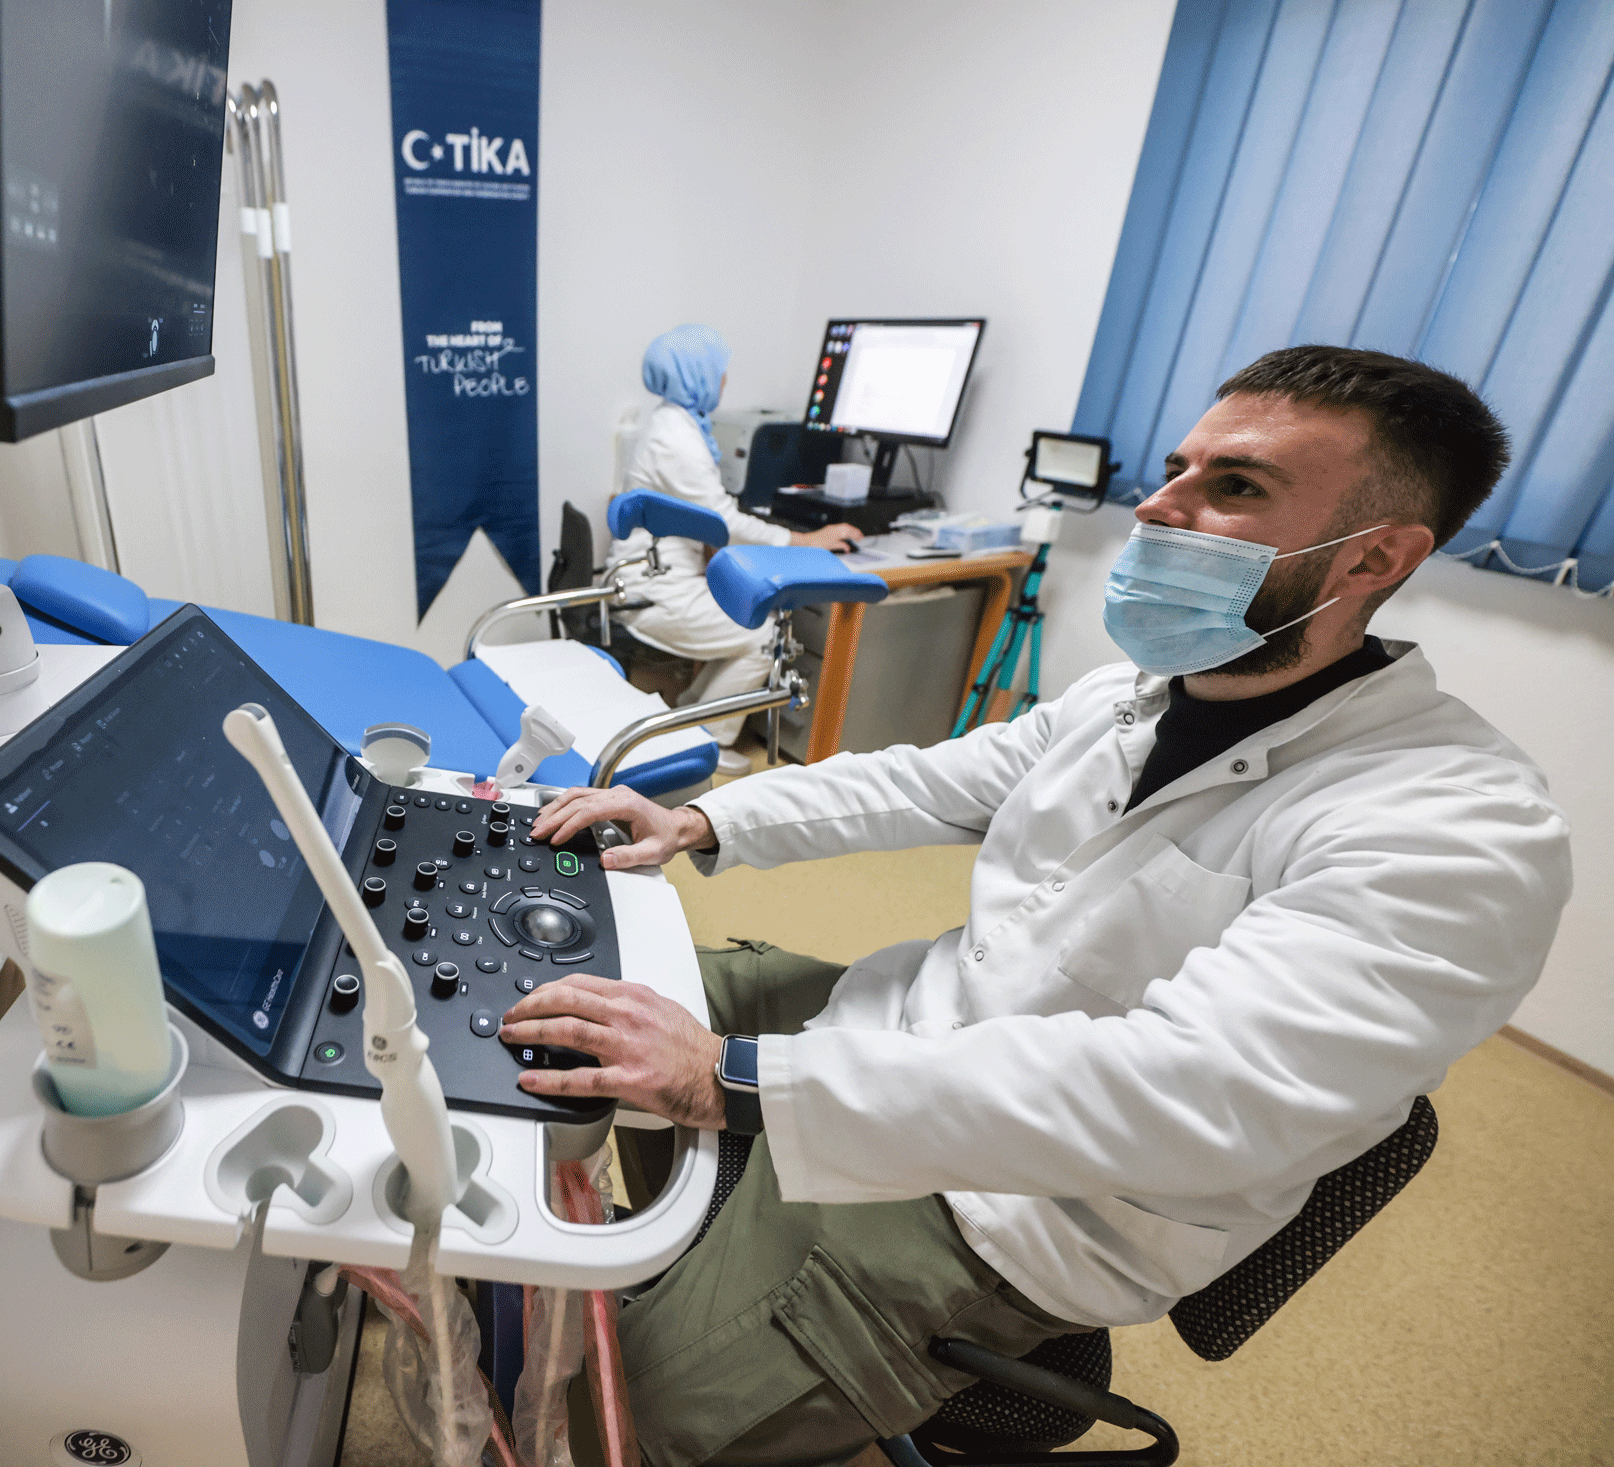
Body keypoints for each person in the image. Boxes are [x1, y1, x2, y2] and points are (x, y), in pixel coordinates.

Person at [502, 345, 1572, 1466]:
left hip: (1013, 1211)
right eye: (1177, 468)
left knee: (603, 1436)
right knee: (561, 982)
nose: (1159, 506)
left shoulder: (1456, 829)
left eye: (1235, 486)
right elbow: (929, 781)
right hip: (889, 1033)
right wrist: (703, 820)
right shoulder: (1131, 697)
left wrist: (733, 1078)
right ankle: (667, 1253)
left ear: (1374, 556)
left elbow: (1183, 1093)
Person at [612, 324, 861, 776]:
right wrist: (804, 539)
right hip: (657, 591)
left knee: (755, 626)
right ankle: (706, 741)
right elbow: (724, 522)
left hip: (654, 578)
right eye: (718, 371)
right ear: (696, 375)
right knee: (765, 636)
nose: (724, 380)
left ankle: (689, 720)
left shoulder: (674, 423)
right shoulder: (677, 438)